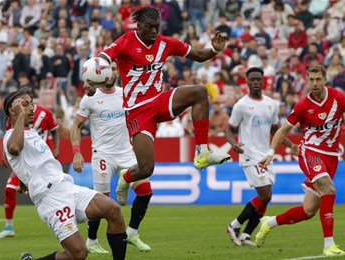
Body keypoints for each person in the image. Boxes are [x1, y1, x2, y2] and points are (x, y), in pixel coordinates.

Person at [98, 7, 231, 206]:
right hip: (137, 111)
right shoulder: (126, 41)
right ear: (139, 25)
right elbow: (103, 58)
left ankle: (202, 153)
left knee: (200, 92)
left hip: (159, 101)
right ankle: (125, 179)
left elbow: (199, 55)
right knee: (146, 168)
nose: (154, 31)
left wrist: (214, 49)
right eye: (150, 27)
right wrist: (93, 80)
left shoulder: (165, 43)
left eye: (157, 28)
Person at [3, 90, 127, 260]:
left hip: (66, 187)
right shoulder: (11, 135)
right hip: (50, 198)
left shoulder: (31, 133)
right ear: (12, 111)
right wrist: (18, 117)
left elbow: (30, 162)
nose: (32, 108)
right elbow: (15, 149)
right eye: (24, 105)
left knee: (112, 209)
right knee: (78, 254)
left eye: (31, 103)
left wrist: (24, 183)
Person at [255, 65, 345, 257]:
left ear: (325, 79)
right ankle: (329, 245)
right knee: (329, 190)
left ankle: (268, 222)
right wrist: (271, 152)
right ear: (306, 80)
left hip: (331, 157)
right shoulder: (303, 105)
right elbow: (282, 130)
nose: (314, 83)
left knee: (308, 210)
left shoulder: (338, 98)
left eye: (318, 79)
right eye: (311, 79)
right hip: (310, 152)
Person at [71, 62, 152, 253]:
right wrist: (76, 152)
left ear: (116, 72)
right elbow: (76, 125)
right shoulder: (90, 98)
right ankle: (91, 241)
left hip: (126, 153)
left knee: (146, 191)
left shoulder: (126, 94)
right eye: (109, 69)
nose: (111, 72)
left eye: (115, 69)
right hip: (103, 155)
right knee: (101, 202)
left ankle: (132, 232)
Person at [225, 67, 297, 246]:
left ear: (263, 81)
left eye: (258, 79)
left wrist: (291, 145)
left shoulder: (271, 104)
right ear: (247, 82)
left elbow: (275, 130)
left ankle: (246, 234)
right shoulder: (241, 105)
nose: (256, 82)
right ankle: (234, 225)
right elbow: (229, 130)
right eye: (252, 79)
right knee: (264, 194)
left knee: (267, 196)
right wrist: (234, 145)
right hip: (249, 155)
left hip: (265, 155)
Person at [0, 86, 60, 239]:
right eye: (22, 101)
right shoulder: (16, 115)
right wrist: (5, 152)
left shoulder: (44, 113)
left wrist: (56, 148)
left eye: (28, 99)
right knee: (10, 189)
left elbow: (55, 129)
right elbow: (12, 139)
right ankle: (8, 226)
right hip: (24, 160)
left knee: (51, 193)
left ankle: (62, 220)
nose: (27, 104)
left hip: (41, 160)